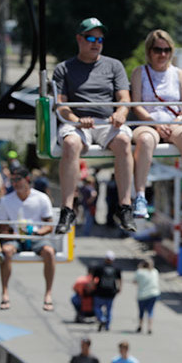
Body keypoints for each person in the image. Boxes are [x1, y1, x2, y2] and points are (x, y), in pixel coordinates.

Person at [52, 17, 136, 234]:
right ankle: (67, 209)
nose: (96, 43)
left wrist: (121, 112)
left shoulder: (114, 65)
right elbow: (61, 105)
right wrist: (76, 120)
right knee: (70, 144)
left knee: (124, 141)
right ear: (79, 39)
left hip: (107, 122)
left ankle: (124, 205)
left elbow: (124, 99)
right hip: (78, 123)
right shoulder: (64, 69)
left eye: (100, 39)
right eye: (90, 38)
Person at [130, 29, 182, 219]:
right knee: (146, 140)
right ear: (149, 51)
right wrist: (154, 123)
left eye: (166, 50)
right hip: (147, 121)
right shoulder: (140, 72)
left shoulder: (178, 74)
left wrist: (175, 121)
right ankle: (140, 195)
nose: (162, 54)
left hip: (174, 122)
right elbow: (137, 105)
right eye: (157, 50)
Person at [0, 167, 57, 311]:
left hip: (36, 236)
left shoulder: (41, 198)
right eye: (12, 180)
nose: (15, 183)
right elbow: (3, 227)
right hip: (16, 238)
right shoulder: (6, 200)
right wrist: (14, 233)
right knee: (6, 251)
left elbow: (49, 225)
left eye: (18, 179)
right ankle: (5, 292)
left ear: (27, 180)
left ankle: (48, 293)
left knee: (49, 252)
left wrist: (35, 233)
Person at [92, 250, 121, 331]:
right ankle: (107, 326)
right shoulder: (116, 268)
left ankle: (102, 318)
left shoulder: (99, 268)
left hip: (99, 292)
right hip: (111, 292)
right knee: (109, 309)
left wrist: (92, 287)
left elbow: (93, 279)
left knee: (97, 307)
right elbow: (119, 280)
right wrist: (119, 288)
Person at [134, 257, 160, 334]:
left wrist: (139, 267)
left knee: (141, 311)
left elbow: (135, 281)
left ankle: (140, 326)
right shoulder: (155, 271)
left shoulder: (139, 271)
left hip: (142, 294)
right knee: (150, 311)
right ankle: (149, 327)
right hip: (153, 293)